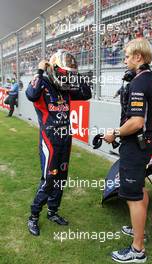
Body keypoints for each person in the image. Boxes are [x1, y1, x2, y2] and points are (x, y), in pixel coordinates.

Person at [103, 38, 152, 263]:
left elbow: (136, 122)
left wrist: (114, 133)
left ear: (138, 57)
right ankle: (139, 232)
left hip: (135, 146)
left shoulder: (139, 82)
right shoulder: (149, 79)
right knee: (139, 190)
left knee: (133, 196)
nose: (124, 60)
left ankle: (138, 250)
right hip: (142, 144)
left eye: (127, 56)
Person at [26, 50, 92, 236]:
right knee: (49, 180)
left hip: (66, 139)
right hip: (50, 141)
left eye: (69, 75)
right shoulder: (43, 85)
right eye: (65, 74)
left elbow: (86, 93)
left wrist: (76, 76)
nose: (67, 79)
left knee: (61, 180)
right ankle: (33, 216)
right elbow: (31, 94)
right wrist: (40, 70)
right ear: (54, 70)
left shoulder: (67, 88)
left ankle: (52, 212)